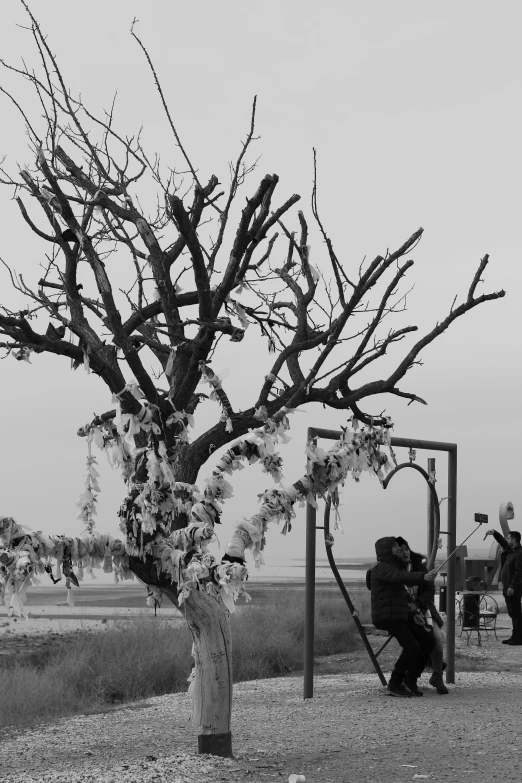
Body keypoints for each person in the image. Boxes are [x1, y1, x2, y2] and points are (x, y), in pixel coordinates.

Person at [369, 536, 437, 698]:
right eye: (394, 546)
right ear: (386, 550)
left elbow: (401, 583)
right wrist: (422, 577)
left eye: (399, 546)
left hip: (400, 614)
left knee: (428, 640)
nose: (399, 548)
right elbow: (399, 577)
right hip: (387, 616)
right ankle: (394, 683)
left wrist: (415, 611)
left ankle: (410, 679)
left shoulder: (392, 566)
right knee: (412, 646)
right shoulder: (383, 567)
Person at [395, 537, 449, 695]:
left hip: (423, 609)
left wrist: (418, 603)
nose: (404, 552)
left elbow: (429, 590)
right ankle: (407, 679)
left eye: (406, 548)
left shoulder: (419, 564)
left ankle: (437, 675)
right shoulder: (392, 569)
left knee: (437, 641)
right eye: (400, 549)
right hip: (404, 615)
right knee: (414, 645)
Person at [484, 528, 522, 645]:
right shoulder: (510, 550)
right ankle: (514, 636)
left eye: (509, 538)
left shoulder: (519, 553)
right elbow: (503, 542)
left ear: (514, 540)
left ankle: (519, 638)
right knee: (511, 613)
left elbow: (518, 572)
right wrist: (494, 533)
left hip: (513, 588)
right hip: (507, 587)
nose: (507, 540)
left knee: (516, 613)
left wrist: (512, 587)